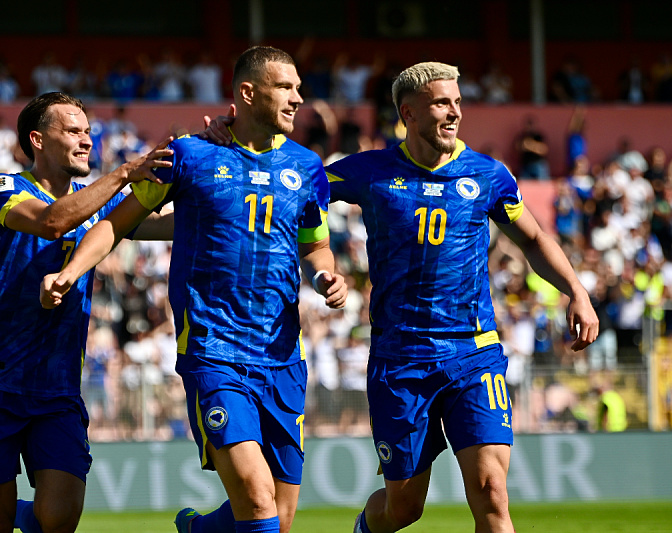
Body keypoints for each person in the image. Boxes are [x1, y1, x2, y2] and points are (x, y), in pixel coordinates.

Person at [202, 60, 599, 533]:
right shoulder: (371, 172)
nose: (453, 113)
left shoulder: (488, 176)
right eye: (440, 104)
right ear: (408, 114)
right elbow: (287, 185)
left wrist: (576, 291)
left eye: (457, 103)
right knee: (404, 508)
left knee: (492, 492)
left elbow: (533, 239)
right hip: (400, 360)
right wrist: (229, 145)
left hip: (474, 352)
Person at [40, 46, 347, 533]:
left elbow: (315, 245)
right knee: (258, 502)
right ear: (248, 93)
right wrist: (71, 271)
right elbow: (119, 225)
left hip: (284, 354)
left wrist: (325, 274)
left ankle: (201, 530)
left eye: (298, 87)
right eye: (286, 87)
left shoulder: (307, 167)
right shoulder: (189, 155)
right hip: (215, 350)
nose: (298, 98)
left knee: (280, 518)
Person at [0, 91, 174, 533]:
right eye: (72, 130)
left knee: (58, 518)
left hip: (57, 389)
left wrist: (207, 169)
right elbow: (52, 221)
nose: (86, 140)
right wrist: (126, 172)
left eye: (88, 131)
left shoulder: (97, 201)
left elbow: (167, 223)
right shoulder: (2, 189)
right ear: (37, 139)